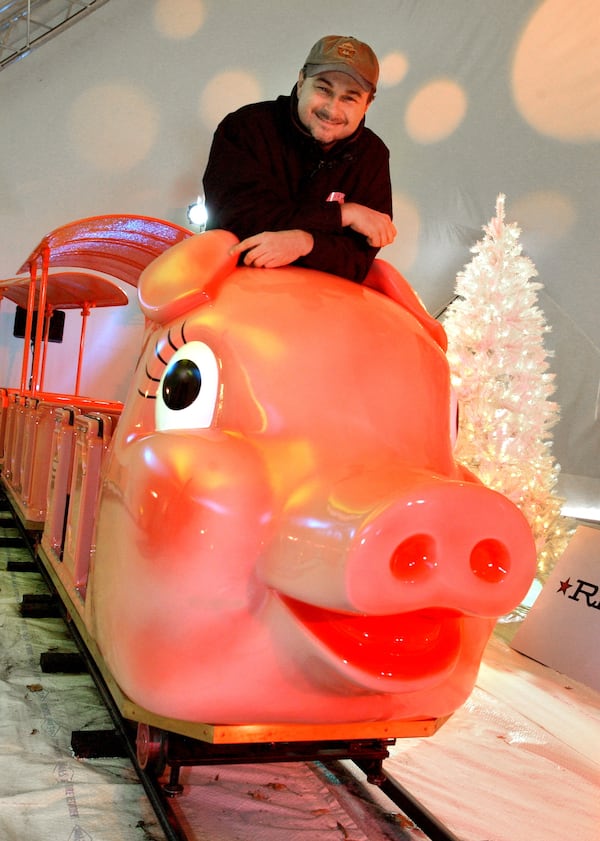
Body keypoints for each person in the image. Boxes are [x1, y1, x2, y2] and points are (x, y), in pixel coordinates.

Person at [202, 35, 396, 283]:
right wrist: (343, 215)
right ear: (302, 81)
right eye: (324, 89)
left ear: (368, 103)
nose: (332, 109)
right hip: (233, 290)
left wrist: (305, 243)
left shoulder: (373, 155)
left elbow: (358, 260)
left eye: (350, 97)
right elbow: (238, 222)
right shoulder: (245, 127)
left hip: (322, 304)